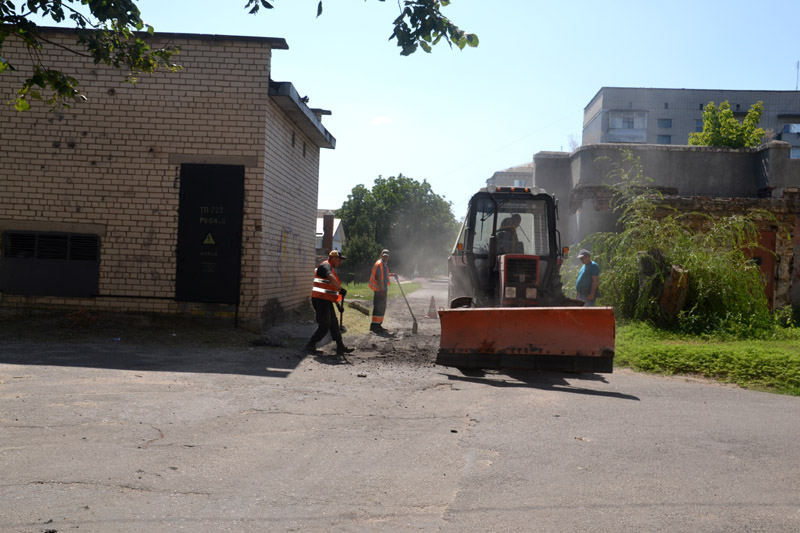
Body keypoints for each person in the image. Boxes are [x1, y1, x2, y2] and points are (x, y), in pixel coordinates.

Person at [305, 250, 354, 355]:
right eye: (339, 259)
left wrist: (337, 305)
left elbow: (328, 289)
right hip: (320, 299)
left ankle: (340, 347)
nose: (340, 261)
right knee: (325, 324)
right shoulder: (325, 266)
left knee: (334, 324)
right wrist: (340, 289)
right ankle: (310, 344)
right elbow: (330, 278)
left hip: (325, 299)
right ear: (332, 258)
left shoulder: (330, 267)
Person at [368, 249, 394, 335]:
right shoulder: (379, 264)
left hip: (382, 290)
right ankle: (375, 326)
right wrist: (382, 290)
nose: (385, 256)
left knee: (381, 308)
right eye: (384, 255)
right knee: (378, 308)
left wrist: (392, 274)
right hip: (380, 290)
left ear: (388, 256)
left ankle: (378, 325)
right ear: (381, 255)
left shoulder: (384, 264)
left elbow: (384, 275)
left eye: (387, 255)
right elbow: (378, 277)